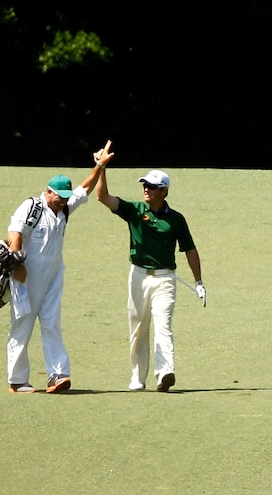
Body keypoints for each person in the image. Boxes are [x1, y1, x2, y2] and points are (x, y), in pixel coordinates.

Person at [4, 140, 114, 394]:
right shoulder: (31, 207)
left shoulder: (63, 208)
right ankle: (17, 380)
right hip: (25, 276)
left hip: (53, 276)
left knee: (52, 323)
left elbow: (84, 188)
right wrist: (17, 263)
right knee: (23, 324)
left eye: (66, 198)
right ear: (49, 192)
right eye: (59, 197)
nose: (63, 201)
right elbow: (15, 234)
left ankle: (58, 375)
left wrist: (99, 166)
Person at [94, 147, 204, 392]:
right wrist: (101, 168)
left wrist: (198, 281)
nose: (146, 189)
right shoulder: (135, 210)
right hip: (138, 276)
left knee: (163, 325)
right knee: (138, 328)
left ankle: (165, 372)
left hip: (165, 279)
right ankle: (138, 377)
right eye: (145, 185)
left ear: (164, 191)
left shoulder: (176, 219)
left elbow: (190, 249)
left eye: (152, 187)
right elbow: (102, 197)